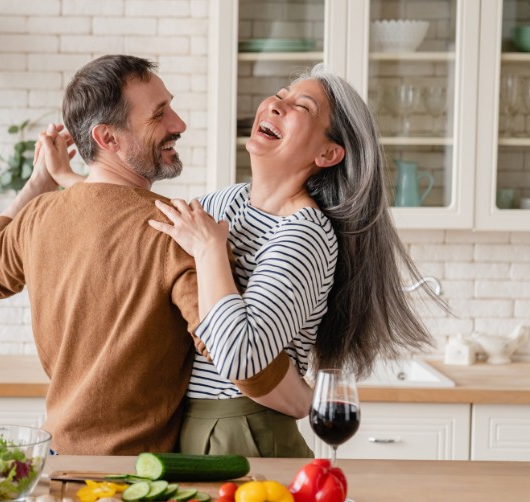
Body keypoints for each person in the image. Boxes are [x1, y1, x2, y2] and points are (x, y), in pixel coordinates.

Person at [0, 55, 301, 456]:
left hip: (56, 460)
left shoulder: (39, 216)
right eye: (159, 115)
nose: (179, 124)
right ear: (108, 139)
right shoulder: (176, 231)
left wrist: (38, 183)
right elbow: (239, 358)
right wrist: (311, 403)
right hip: (134, 477)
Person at [143, 63, 440, 455]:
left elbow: (241, 357)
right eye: (279, 95)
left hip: (245, 432)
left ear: (328, 152)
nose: (275, 105)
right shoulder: (222, 202)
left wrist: (211, 250)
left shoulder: (305, 234)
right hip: (188, 424)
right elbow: (146, 234)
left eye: (301, 106)